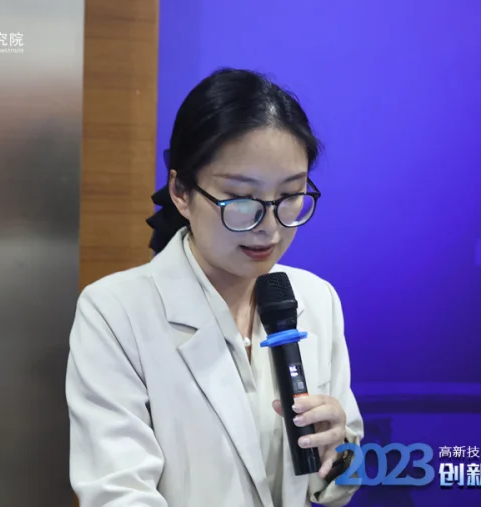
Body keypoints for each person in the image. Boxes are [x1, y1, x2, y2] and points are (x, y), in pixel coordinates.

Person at [65, 68, 364, 507]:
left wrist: (337, 454)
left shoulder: (317, 299)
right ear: (181, 191)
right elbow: (118, 494)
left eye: (290, 196)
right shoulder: (114, 312)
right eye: (241, 199)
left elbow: (338, 483)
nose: (269, 228)